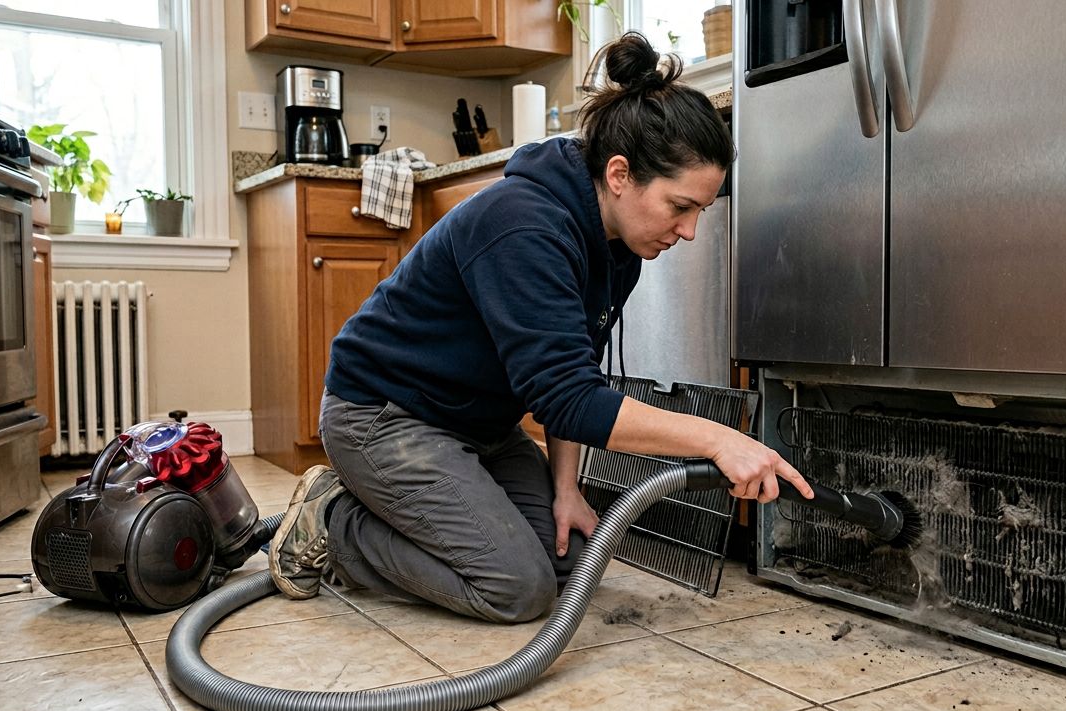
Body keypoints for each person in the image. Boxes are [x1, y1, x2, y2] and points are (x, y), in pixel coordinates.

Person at [268, 32, 813, 623]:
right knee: (517, 589)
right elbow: (569, 399)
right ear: (620, 173)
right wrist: (719, 438)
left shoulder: (618, 244)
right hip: (385, 414)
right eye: (680, 207)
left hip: (477, 422)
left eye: (699, 213)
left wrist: (567, 489)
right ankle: (333, 519)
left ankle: (404, 509)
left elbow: (573, 377)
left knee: (567, 563)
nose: (688, 231)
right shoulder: (523, 225)